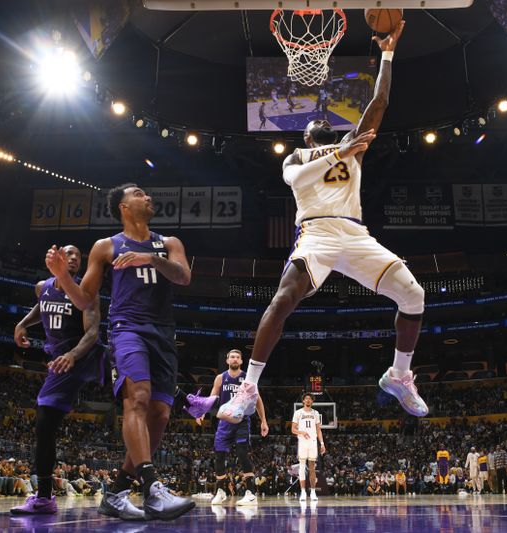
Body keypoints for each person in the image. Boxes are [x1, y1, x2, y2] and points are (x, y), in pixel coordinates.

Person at [218, 21, 428, 425]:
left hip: (354, 232)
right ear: (310, 137)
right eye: (316, 127)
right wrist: (339, 152)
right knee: (283, 299)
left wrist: (387, 53)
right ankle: (249, 388)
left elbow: (380, 101)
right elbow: (296, 178)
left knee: (414, 296)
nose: (321, 123)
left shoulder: (355, 149)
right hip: (316, 233)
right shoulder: (296, 157)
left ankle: (399, 375)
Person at [45, 183, 213, 521]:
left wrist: (151, 258)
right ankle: (153, 488)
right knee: (137, 398)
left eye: (147, 193)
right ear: (123, 206)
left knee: (161, 416)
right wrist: (63, 275)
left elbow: (184, 277)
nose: (148, 196)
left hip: (163, 334)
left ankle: (118, 492)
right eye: (138, 193)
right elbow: (83, 300)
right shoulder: (105, 246)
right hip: (126, 329)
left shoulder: (169, 243)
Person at [9, 245, 104, 515]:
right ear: (57, 258)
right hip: (59, 361)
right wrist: (23, 323)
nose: (74, 258)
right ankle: (44, 496)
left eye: (78, 257)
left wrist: (73, 355)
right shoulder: (43, 287)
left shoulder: (87, 294)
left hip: (80, 356)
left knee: (44, 419)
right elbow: (42, 308)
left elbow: (93, 333)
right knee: (45, 425)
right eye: (69, 254)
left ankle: (44, 497)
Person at [197, 349, 269, 507]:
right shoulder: (220, 378)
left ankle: (250, 493)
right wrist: (201, 411)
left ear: (242, 361)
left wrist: (263, 420)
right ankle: (221, 492)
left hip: (242, 420)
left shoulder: (247, 378)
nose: (235, 359)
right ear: (227, 360)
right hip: (225, 422)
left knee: (243, 453)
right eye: (232, 357)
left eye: (238, 357)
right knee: (219, 456)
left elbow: (257, 400)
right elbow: (212, 397)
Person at [292, 393, 325, 501]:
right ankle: (302, 492)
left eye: (310, 399)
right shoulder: (298, 413)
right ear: (303, 401)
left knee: (312, 468)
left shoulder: (315, 413)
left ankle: (313, 492)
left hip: (313, 442)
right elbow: (293, 429)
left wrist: (322, 443)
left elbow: (318, 430)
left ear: (312, 401)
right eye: (306, 398)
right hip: (302, 442)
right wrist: (302, 432)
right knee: (301, 467)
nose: (308, 400)